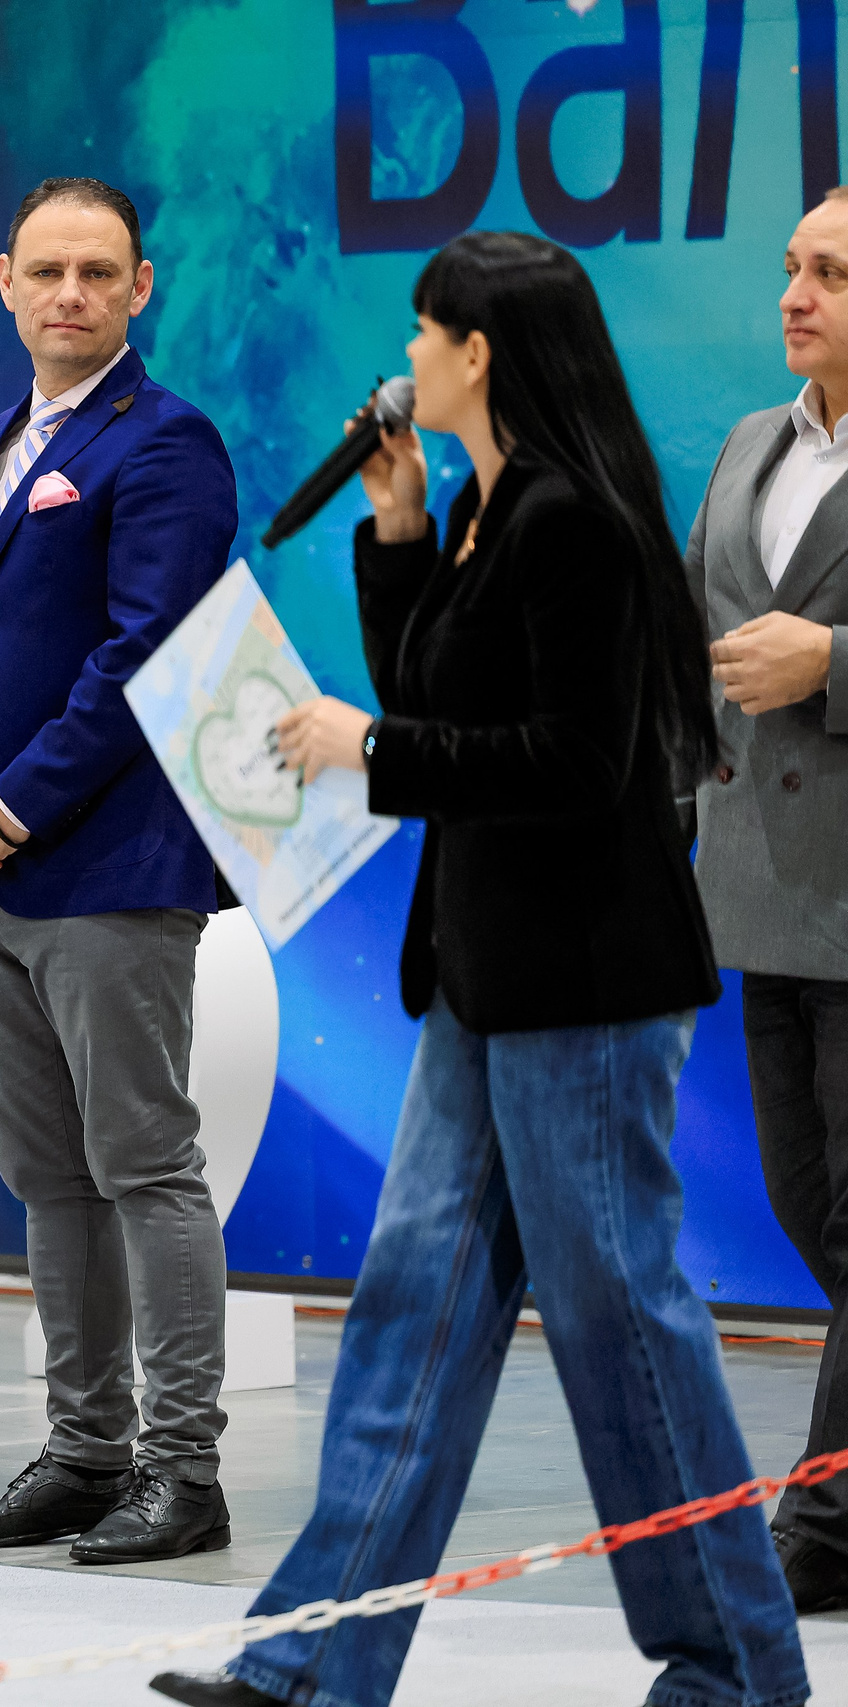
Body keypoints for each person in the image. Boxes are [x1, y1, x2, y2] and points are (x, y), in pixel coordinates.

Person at [153, 233, 805, 1707]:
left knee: (620, 1316)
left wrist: (365, 750)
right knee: (414, 1306)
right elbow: (437, 701)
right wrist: (391, 538)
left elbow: (574, 763)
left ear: (481, 350)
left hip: (583, 982)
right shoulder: (478, 509)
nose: (407, 353)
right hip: (481, 974)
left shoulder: (576, 520)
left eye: (424, 329)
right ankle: (318, 1652)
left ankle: (738, 1662)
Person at [0, 178, 239, 1563]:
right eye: (48, 270)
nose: (72, 294)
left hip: (107, 866)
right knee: (51, 1181)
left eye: (100, 272)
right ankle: (84, 1449)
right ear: (5, 279)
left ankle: (181, 1467)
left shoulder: (169, 441)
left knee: (146, 1165)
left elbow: (143, 656)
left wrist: (10, 810)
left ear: (141, 288)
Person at [684, 186, 848, 1616]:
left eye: (833, 275)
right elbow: (695, 650)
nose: (795, 294)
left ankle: (830, 1522)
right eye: (794, 267)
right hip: (756, 894)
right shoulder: (751, 442)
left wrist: (837, 663)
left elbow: (802, 655)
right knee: (813, 1206)